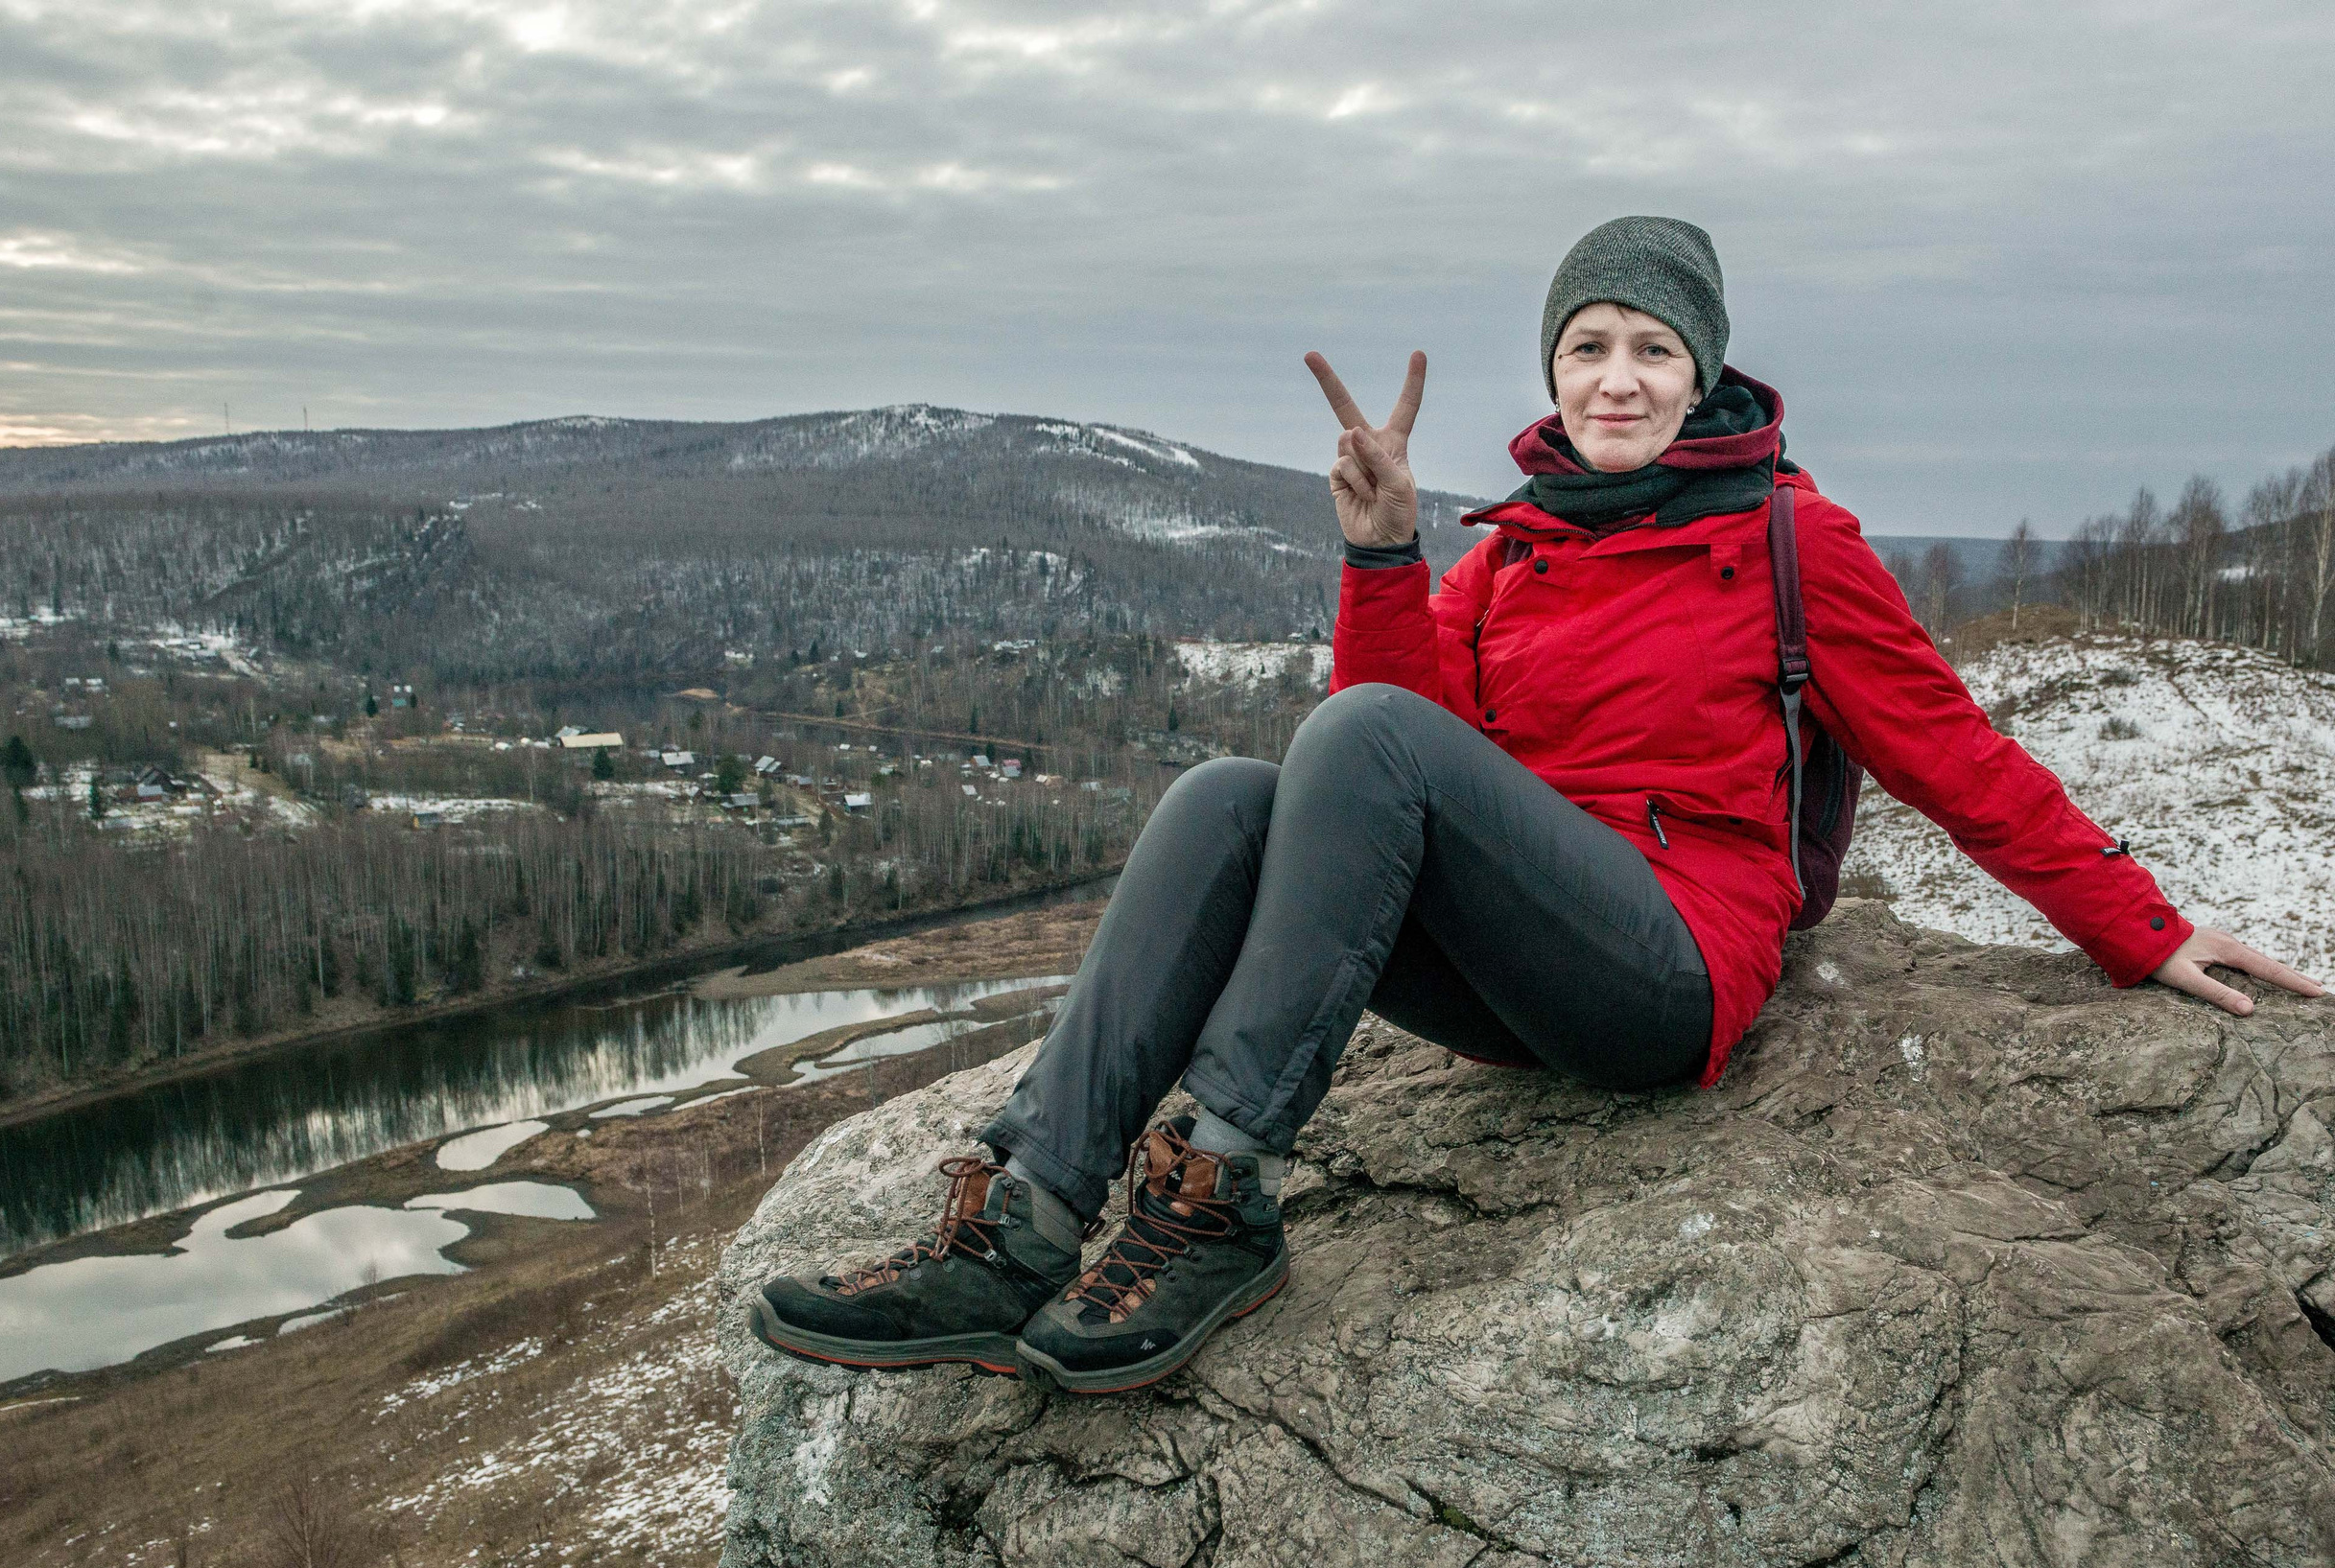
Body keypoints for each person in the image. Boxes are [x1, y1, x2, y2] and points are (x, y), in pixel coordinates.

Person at [750, 215, 2322, 1395]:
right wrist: (1383, 557)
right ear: (1554, 373)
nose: (1618, 376)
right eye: (1588, 347)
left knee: (1343, 739)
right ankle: (1020, 1218)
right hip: (1524, 966)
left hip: (1670, 974)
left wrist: (2147, 928)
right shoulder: (1515, 546)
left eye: (1650, 346)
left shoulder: (1795, 540)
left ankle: (1220, 1192)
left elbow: (1960, 757)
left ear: (1703, 368)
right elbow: (1386, 762)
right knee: (1234, 796)